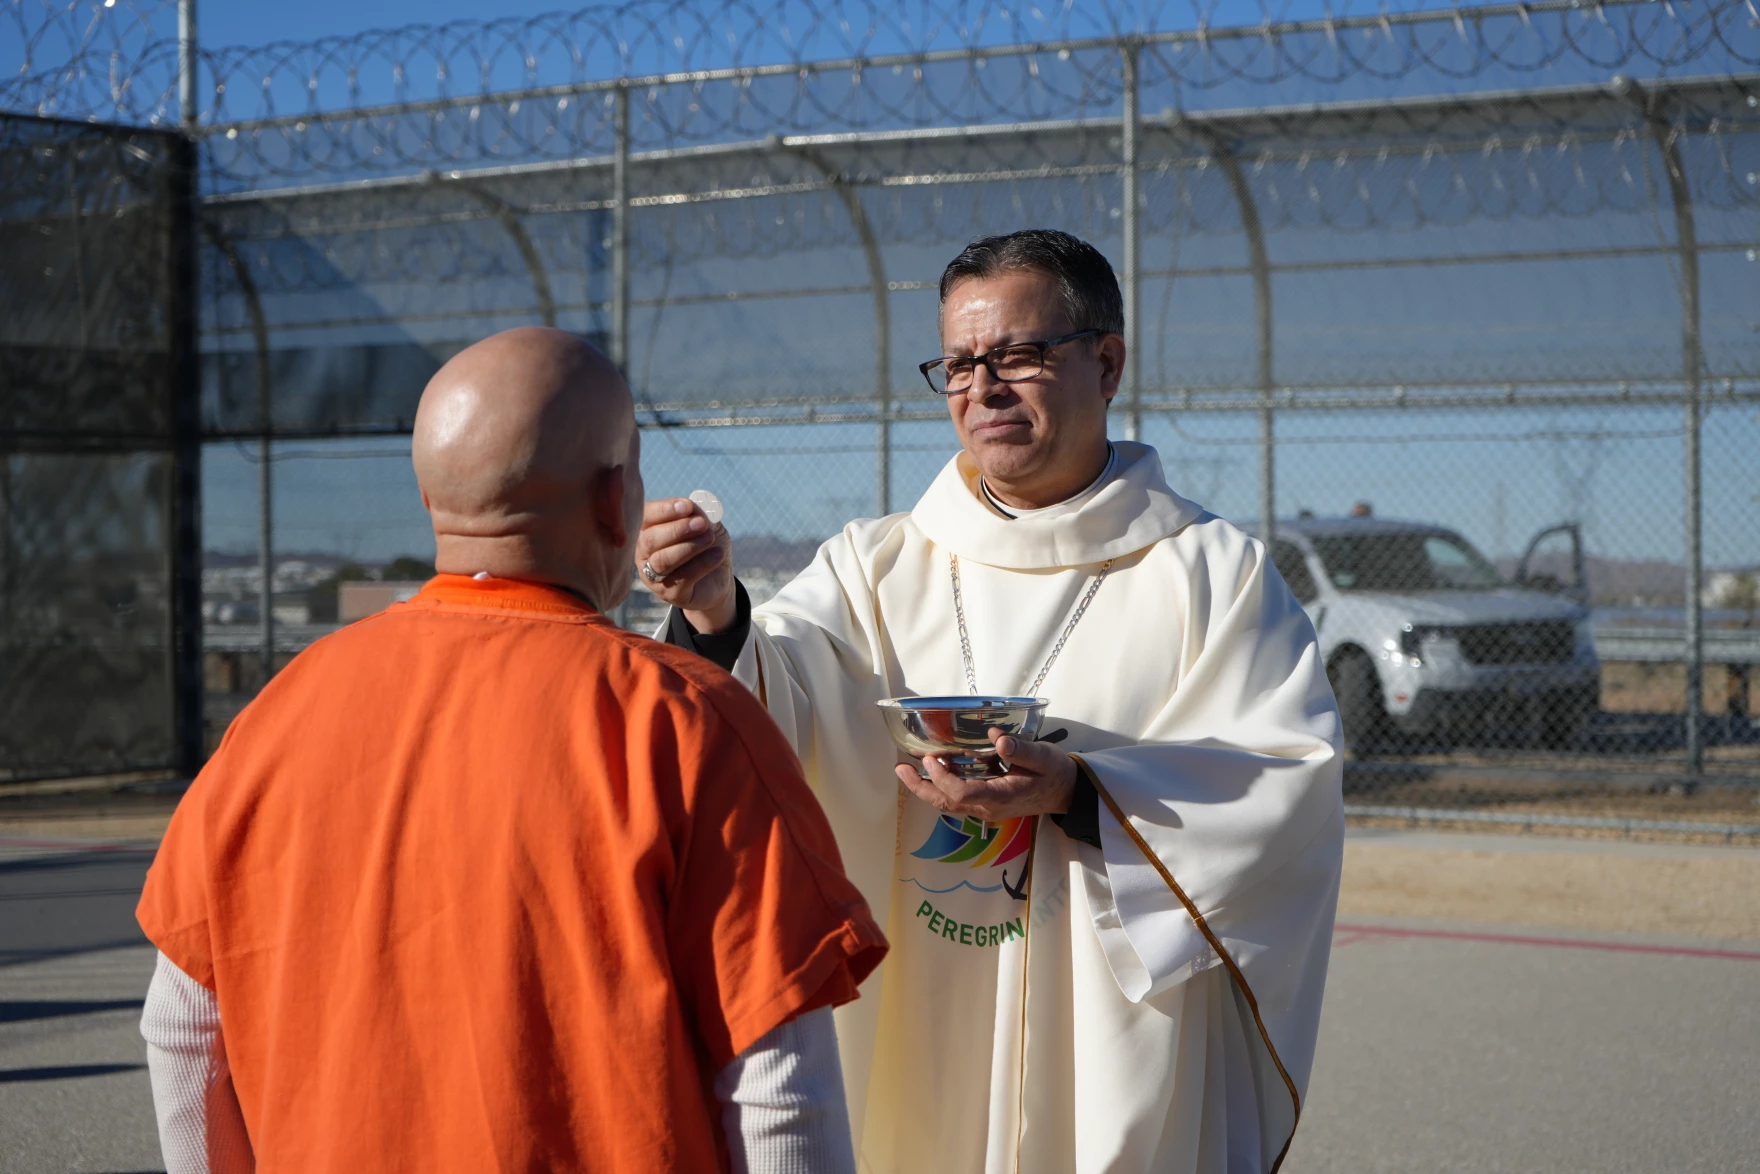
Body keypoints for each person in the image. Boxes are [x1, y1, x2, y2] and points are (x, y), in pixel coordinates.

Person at [637, 231, 1343, 1173]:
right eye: (961, 364)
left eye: (1019, 355)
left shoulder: (1210, 574)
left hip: (1105, 1035)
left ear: (1108, 361)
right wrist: (715, 612)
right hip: (914, 1018)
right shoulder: (875, 564)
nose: (984, 388)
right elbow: (776, 696)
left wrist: (1085, 791)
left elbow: (1287, 786)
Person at [136, 327, 887, 1173]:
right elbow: (778, 1088)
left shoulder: (276, 714)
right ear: (615, 501)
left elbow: (182, 1027)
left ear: (431, 503)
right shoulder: (685, 718)